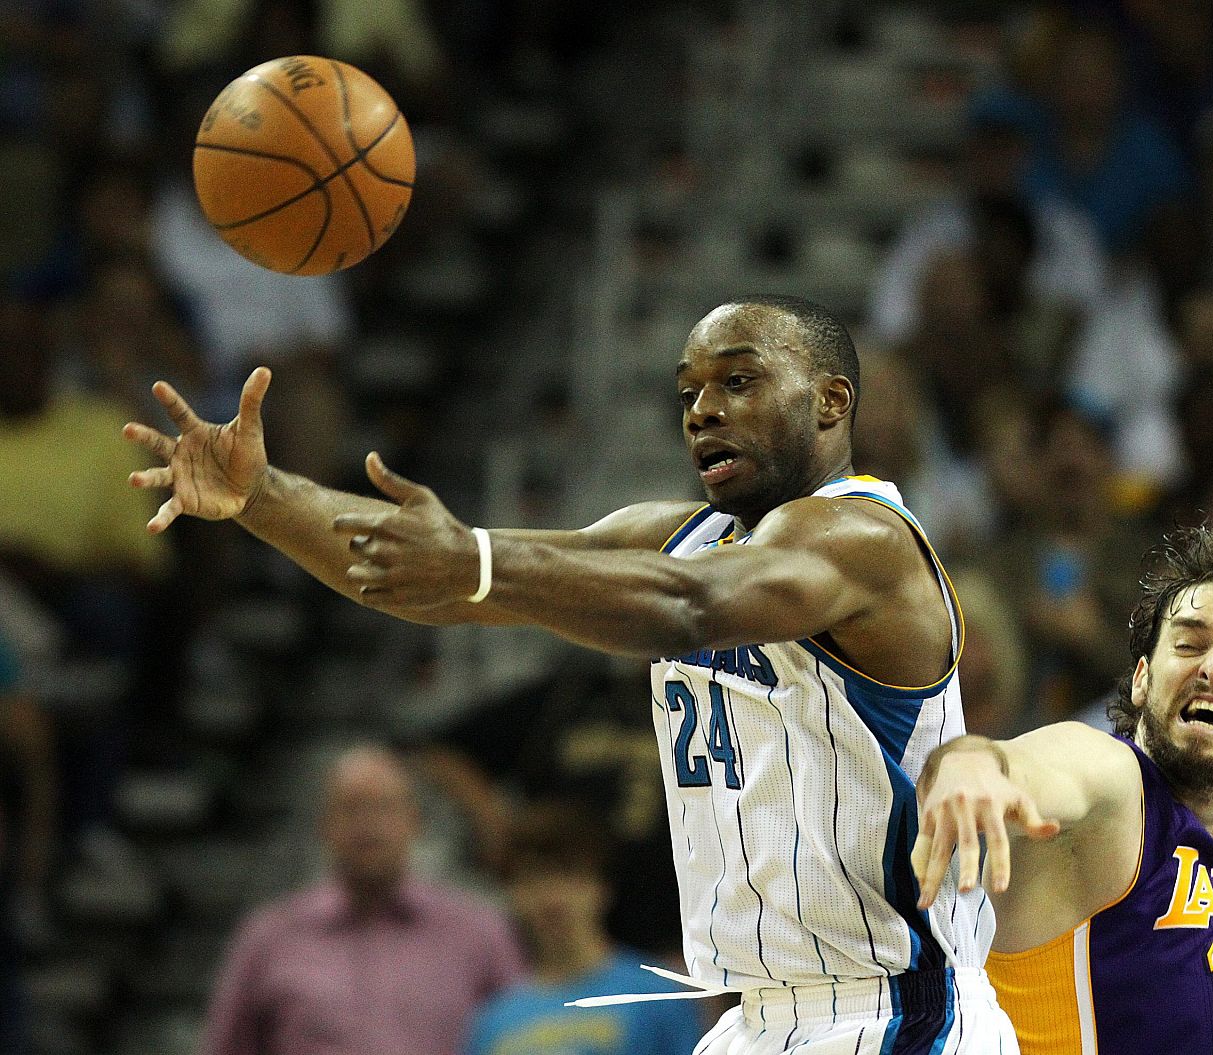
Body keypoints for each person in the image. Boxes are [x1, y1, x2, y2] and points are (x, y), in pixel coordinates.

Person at [128, 295, 1017, 1055]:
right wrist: (262, 496)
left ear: (831, 402)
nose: (703, 409)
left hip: (895, 1007)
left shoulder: (865, 539)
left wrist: (474, 562)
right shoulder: (676, 536)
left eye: (737, 381)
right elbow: (430, 581)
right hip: (754, 1015)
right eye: (688, 393)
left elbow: (690, 606)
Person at [911, 521, 1213, 1054]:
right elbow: (1043, 767)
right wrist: (972, 762)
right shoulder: (1117, 789)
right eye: (1189, 644)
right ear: (1141, 679)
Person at [201, 746, 523, 1055]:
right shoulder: (269, 938)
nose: (368, 823)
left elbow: (526, 1037)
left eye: (384, 807)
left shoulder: (478, 933)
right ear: (324, 825)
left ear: (415, 822)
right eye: (352, 808)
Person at [464, 802, 703, 1055]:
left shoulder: (658, 995)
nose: (552, 897)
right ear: (512, 894)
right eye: (533, 878)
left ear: (602, 886)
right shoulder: (493, 1023)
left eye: (568, 874)